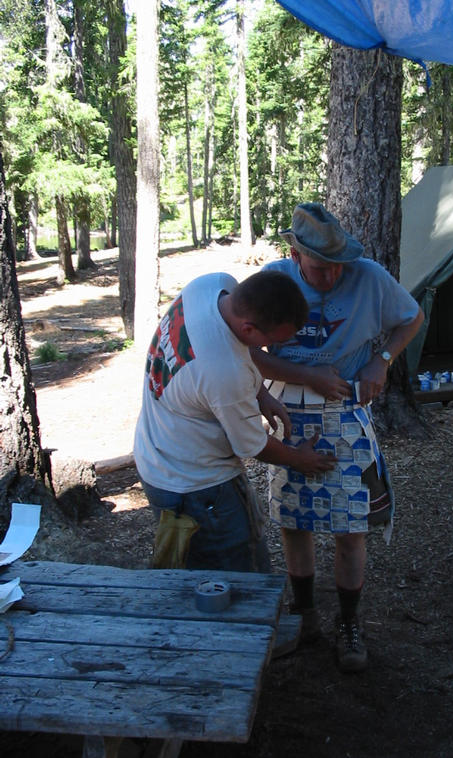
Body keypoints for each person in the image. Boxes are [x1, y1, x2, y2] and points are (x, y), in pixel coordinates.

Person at [251, 203, 424, 673]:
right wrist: (307, 376)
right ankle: (304, 614)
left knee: (352, 526)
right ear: (295, 255)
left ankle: (349, 622)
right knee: (295, 522)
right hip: (287, 410)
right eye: (319, 269)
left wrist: (381, 361)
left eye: (337, 267)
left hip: (346, 409)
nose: (330, 277)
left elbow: (411, 317)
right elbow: (246, 348)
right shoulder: (274, 281)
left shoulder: (368, 277)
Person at [133, 269, 337, 573]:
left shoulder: (210, 286)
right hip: (198, 487)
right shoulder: (224, 371)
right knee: (239, 576)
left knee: (196, 570)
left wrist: (260, 393)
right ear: (249, 328)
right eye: (271, 341)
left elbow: (241, 350)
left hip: (158, 454)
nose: (271, 348)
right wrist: (300, 459)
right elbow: (254, 446)